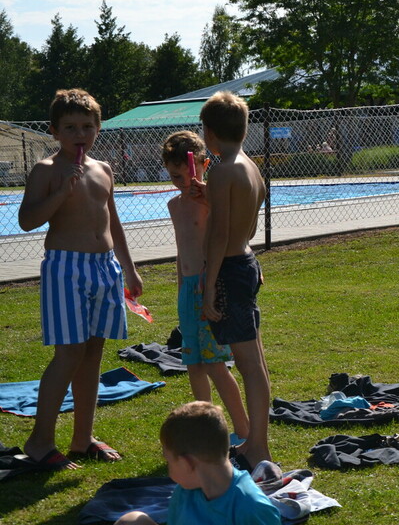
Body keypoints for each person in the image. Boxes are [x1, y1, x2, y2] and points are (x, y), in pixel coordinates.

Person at [18, 88, 143, 469]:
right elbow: (27, 220)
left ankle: (82, 438)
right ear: (55, 131)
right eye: (70, 127)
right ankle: (40, 441)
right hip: (66, 268)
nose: (79, 134)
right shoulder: (46, 170)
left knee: (92, 352)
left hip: (104, 266)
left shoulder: (103, 168)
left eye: (87, 126)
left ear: (97, 128)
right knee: (69, 353)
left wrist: (130, 268)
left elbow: (113, 222)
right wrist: (60, 192)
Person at [161, 131, 250, 441]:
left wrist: (209, 197)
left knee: (215, 364)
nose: (184, 183)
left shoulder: (213, 201)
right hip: (188, 291)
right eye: (175, 177)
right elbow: (181, 251)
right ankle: (207, 431)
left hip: (209, 287)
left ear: (204, 165)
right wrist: (180, 290)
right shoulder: (175, 205)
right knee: (194, 364)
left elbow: (235, 228)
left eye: (189, 174)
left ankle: (243, 429)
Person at [199, 91, 272, 469]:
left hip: (229, 269)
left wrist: (210, 284)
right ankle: (255, 442)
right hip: (246, 261)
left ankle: (258, 447)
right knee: (255, 362)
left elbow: (219, 234)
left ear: (209, 132)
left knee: (249, 365)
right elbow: (249, 226)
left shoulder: (222, 170)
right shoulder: (250, 168)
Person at [114, 401, 281, 525]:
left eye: (169, 461)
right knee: (132, 521)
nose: (169, 471)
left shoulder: (251, 508)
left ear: (187, 463)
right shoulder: (184, 492)